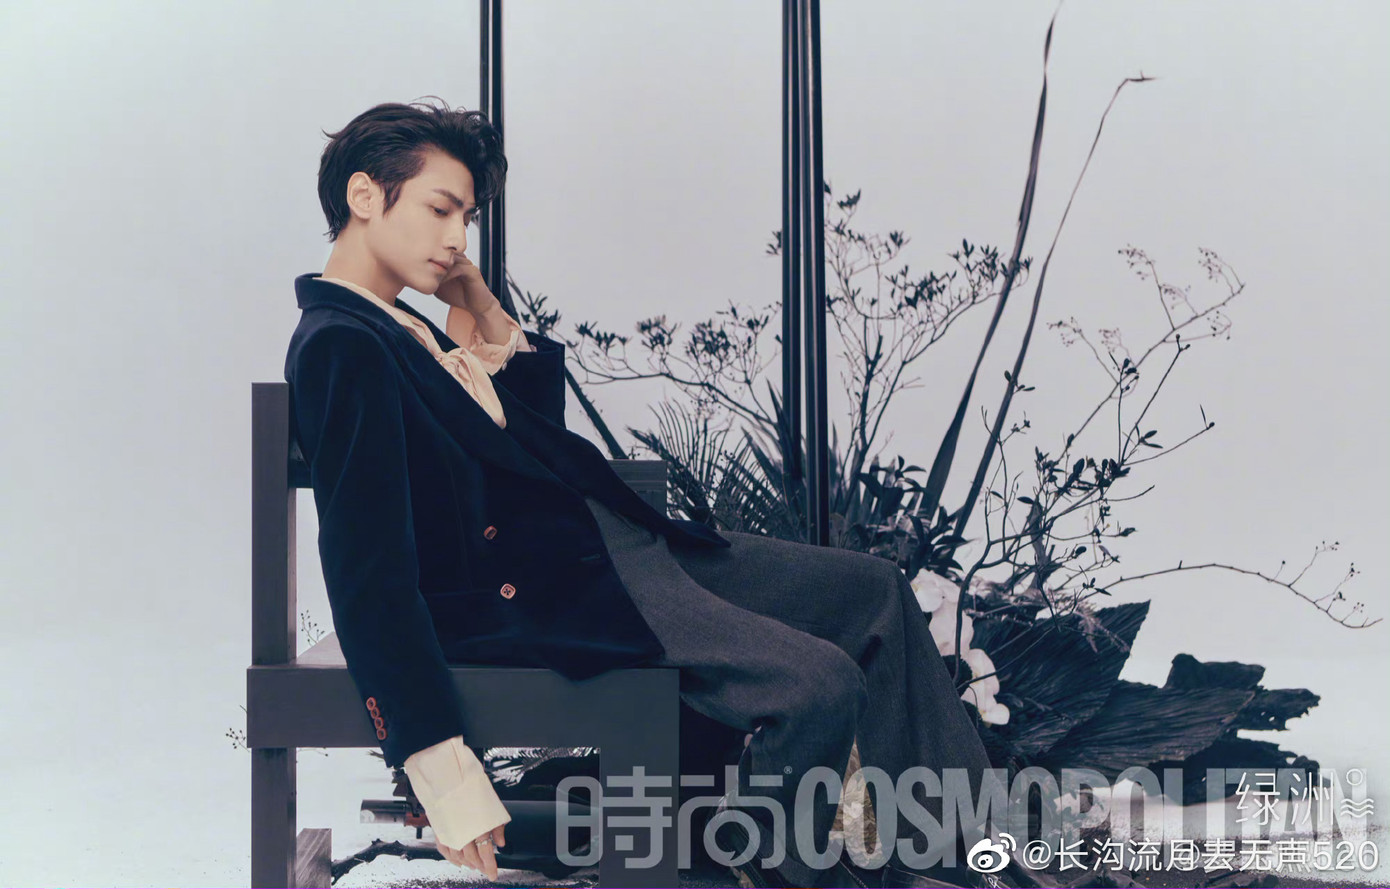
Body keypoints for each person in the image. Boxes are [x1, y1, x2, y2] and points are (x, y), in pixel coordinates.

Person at [285, 97, 1029, 889]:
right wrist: (436, 762)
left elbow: (525, 453)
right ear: (365, 196)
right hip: (544, 591)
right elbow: (367, 568)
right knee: (816, 685)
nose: (457, 239)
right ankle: (775, 868)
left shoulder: (402, 326)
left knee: (875, 591)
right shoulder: (342, 345)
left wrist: (484, 312)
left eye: (465, 217)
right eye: (441, 209)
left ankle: (956, 856)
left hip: (611, 547)